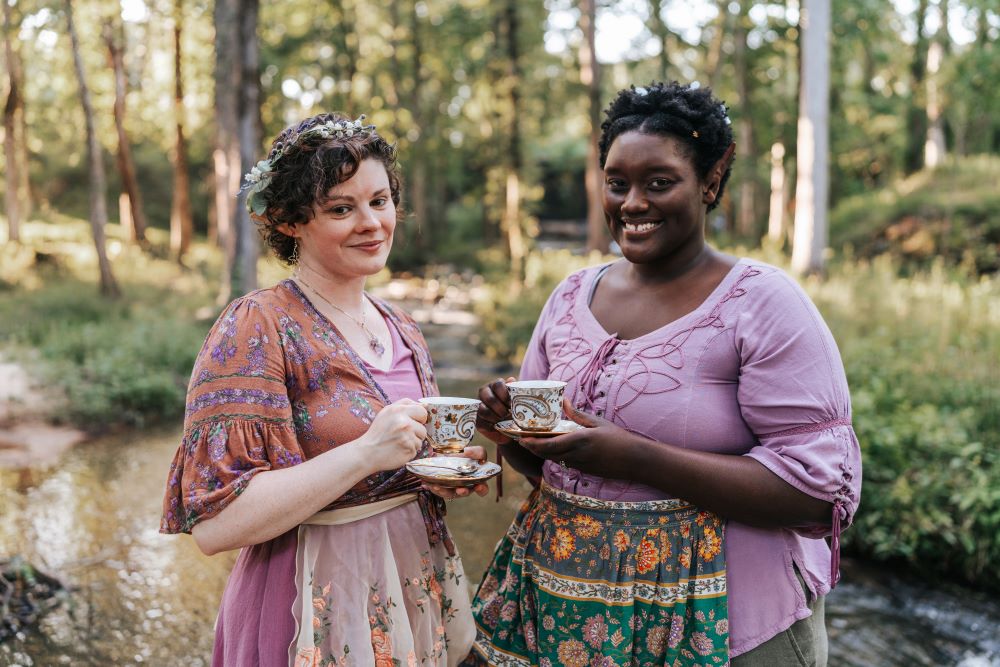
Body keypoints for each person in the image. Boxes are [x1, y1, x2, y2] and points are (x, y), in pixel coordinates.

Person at [469, 82, 862, 666]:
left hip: (732, 626)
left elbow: (818, 495)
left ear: (711, 180)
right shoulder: (572, 295)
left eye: (658, 183)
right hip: (573, 617)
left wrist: (636, 457)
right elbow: (550, 469)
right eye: (617, 183)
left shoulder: (763, 303)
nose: (632, 204)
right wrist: (508, 430)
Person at [160, 112, 486, 667]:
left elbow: (395, 464)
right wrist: (365, 453)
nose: (371, 223)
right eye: (341, 209)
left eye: (380, 201)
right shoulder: (257, 325)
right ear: (290, 220)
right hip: (304, 604)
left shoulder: (403, 326)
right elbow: (214, 526)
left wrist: (437, 474)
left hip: (409, 584)